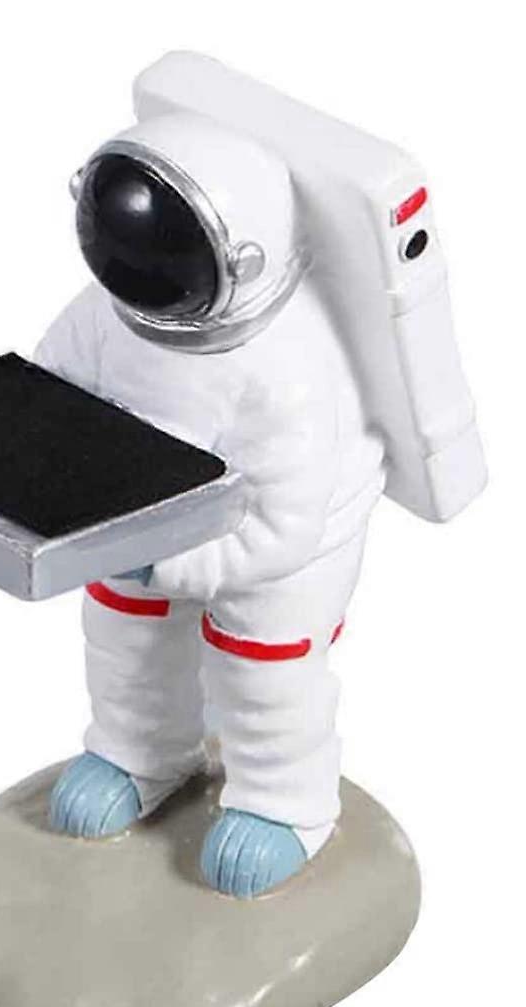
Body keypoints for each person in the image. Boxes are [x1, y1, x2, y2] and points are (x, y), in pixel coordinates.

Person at [35, 112, 385, 897]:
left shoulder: (287, 368)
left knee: (263, 667)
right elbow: (50, 396)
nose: (139, 266)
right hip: (141, 515)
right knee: (124, 636)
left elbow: (282, 527)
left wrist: (166, 564)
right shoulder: (109, 314)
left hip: (288, 549)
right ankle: (138, 753)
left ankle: (283, 803)